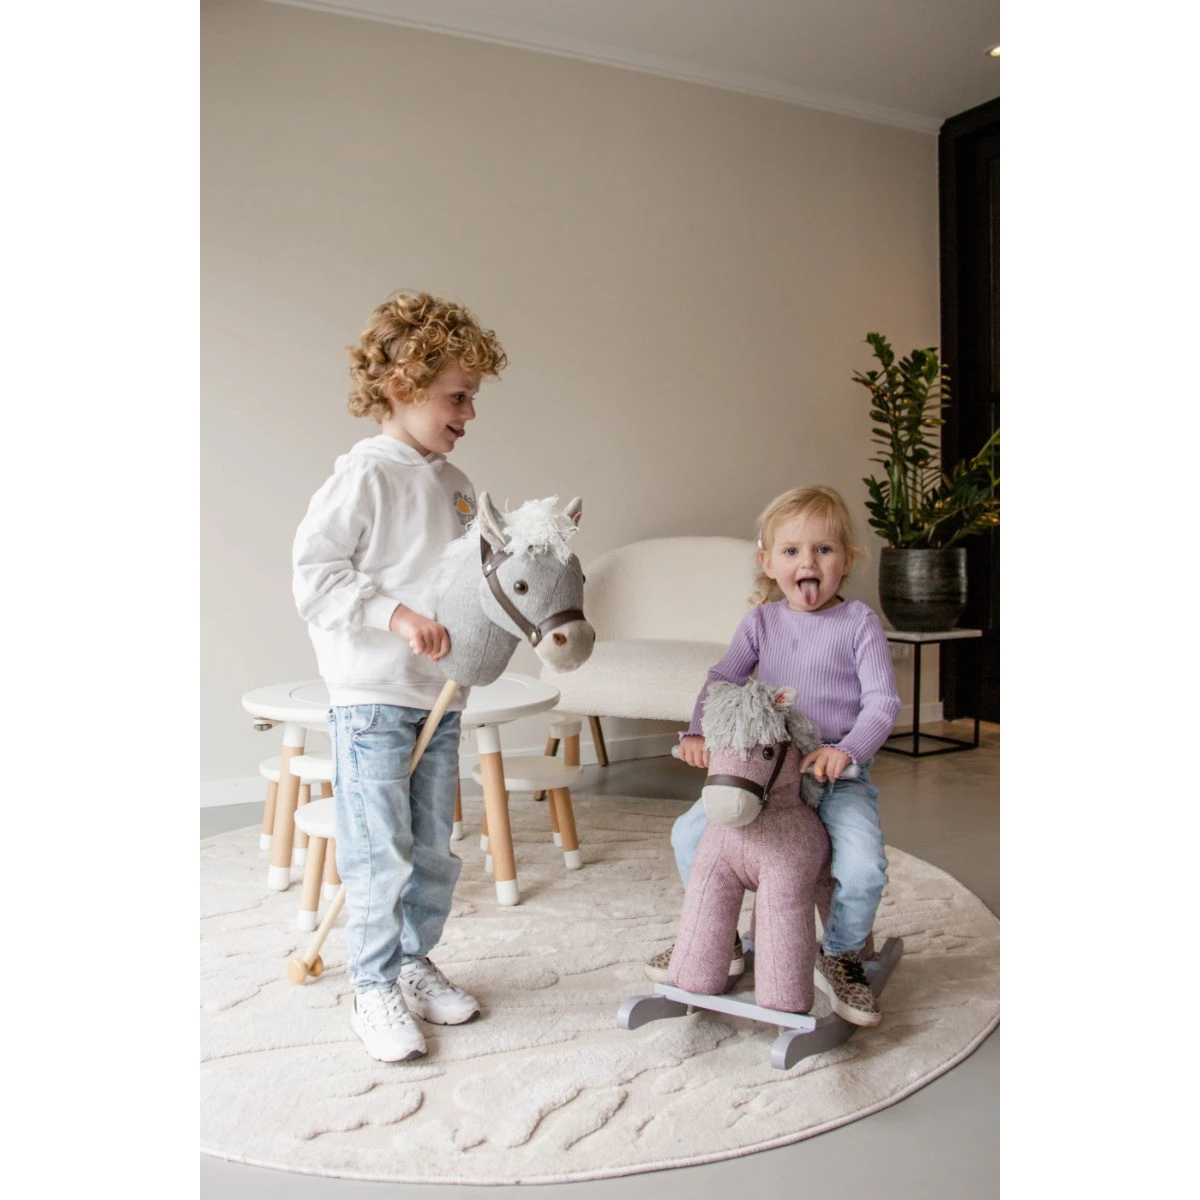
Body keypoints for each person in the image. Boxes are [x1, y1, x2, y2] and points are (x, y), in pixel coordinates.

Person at [292, 291, 507, 1061]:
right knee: (380, 848)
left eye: (472, 398)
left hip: (436, 695)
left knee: (434, 849)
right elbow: (315, 576)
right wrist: (397, 617)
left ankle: (413, 961)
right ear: (400, 387)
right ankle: (372, 983)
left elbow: (467, 578)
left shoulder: (457, 486)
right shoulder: (364, 477)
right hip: (373, 698)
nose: (469, 413)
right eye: (456, 397)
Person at [646, 485, 901, 1026]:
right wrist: (697, 732)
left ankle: (841, 953)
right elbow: (722, 680)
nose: (807, 562)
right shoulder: (761, 623)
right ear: (768, 563)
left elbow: (882, 702)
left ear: (846, 561)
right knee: (690, 836)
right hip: (768, 774)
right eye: (791, 551)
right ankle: (720, 939)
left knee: (862, 867)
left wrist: (846, 750)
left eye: (823, 550)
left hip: (836, 776)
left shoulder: (858, 623)